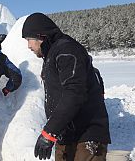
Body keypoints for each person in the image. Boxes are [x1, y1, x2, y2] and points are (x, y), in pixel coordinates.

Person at [21, 13, 111, 161]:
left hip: (86, 134)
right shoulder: (52, 53)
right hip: (66, 134)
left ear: (41, 36)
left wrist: (49, 132)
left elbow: (74, 93)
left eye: (29, 40)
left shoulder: (67, 50)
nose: (29, 46)